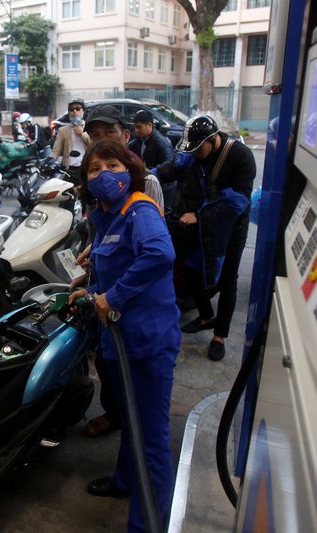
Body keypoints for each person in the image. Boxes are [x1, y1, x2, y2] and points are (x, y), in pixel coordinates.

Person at [69, 139, 179, 532]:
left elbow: (159, 255)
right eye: (93, 170)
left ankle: (147, 524)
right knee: (132, 422)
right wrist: (90, 284)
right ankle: (124, 483)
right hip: (119, 340)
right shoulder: (106, 216)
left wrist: (112, 296)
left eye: (111, 164)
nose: (102, 175)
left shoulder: (138, 210)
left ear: (128, 169)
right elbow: (116, 263)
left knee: (150, 437)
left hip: (147, 342)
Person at [77, 105, 166, 439]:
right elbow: (106, 235)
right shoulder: (94, 181)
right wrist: (90, 277)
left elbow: (152, 248)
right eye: (94, 136)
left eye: (109, 134)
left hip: (135, 311)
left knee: (144, 414)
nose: (100, 142)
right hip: (107, 302)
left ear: (126, 137)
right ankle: (117, 417)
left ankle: (127, 426)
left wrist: (113, 294)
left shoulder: (142, 190)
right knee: (108, 364)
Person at [156, 114, 255, 361]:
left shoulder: (240, 157)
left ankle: (219, 336)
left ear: (213, 140)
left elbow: (238, 202)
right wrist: (141, 174)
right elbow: (170, 169)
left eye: (199, 150)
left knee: (228, 278)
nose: (194, 154)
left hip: (230, 227)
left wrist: (199, 216)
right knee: (190, 269)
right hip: (200, 224)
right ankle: (206, 316)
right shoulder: (192, 151)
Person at [51, 97, 90, 185]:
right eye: (71, 109)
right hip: (69, 170)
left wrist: (82, 134)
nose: (74, 112)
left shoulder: (90, 127)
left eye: (78, 109)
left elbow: (95, 146)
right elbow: (56, 151)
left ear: (83, 111)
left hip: (86, 168)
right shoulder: (63, 130)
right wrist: (50, 161)